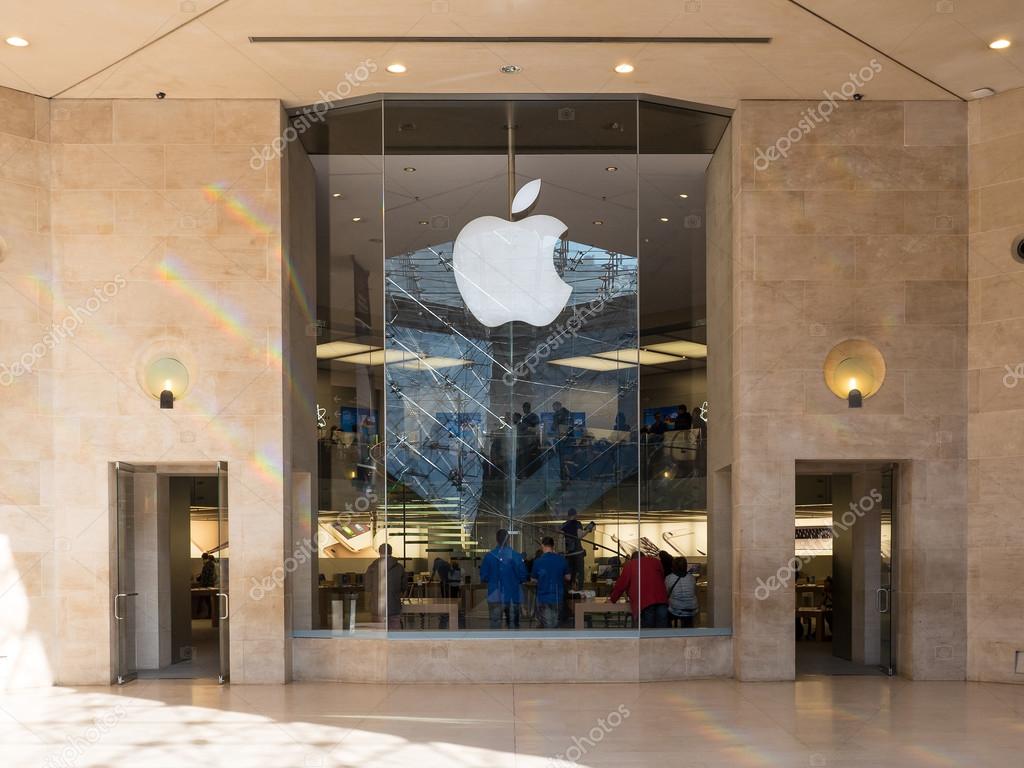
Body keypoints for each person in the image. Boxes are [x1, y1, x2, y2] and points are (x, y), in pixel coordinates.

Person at [479, 529, 528, 629]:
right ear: (508, 539)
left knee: (495, 625)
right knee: (513, 627)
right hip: (512, 595)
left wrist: (493, 579)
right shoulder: (515, 556)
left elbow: (483, 576)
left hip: (495, 595)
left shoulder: (489, 556)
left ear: (496, 540)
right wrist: (514, 580)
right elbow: (523, 576)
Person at [608, 551, 670, 628]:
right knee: (662, 629)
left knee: (648, 630)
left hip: (646, 602)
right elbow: (662, 577)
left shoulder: (630, 565)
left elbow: (621, 585)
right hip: (662, 599)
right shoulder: (656, 561)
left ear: (632, 559)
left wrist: (612, 599)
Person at [364, 543, 405, 630]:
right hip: (394, 606)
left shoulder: (372, 567)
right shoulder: (399, 567)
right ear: (391, 552)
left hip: (377, 607)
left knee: (379, 635)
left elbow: (367, 587)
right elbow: (404, 587)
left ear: (379, 552)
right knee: (394, 634)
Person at [531, 536, 570, 629]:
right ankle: (555, 640)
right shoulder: (562, 560)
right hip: (557, 596)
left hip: (543, 597)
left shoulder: (538, 562)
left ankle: (550, 641)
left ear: (542, 546)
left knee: (548, 624)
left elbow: (533, 579)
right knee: (556, 623)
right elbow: (568, 577)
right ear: (553, 546)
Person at [560, 509, 594, 590]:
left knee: (570, 573)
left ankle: (570, 590)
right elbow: (579, 535)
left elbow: (561, 538)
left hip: (568, 553)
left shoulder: (564, 525)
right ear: (575, 515)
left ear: (568, 515)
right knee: (580, 572)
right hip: (578, 552)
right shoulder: (577, 523)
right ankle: (580, 590)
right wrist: (588, 530)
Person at [665, 556, 698, 628]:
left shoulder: (669, 578)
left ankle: (668, 633)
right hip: (691, 608)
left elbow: (666, 593)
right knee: (688, 622)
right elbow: (695, 592)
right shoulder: (692, 578)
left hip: (676, 609)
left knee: (664, 615)